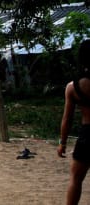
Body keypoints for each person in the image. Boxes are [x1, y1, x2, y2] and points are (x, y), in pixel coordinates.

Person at [58, 39, 90, 205]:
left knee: (76, 179)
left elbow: (67, 118)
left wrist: (62, 143)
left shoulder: (73, 87)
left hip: (87, 134)